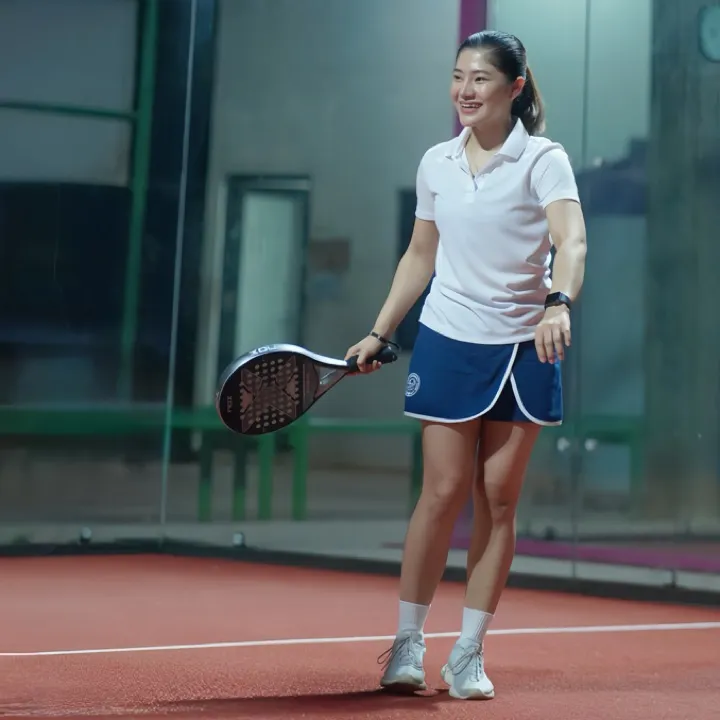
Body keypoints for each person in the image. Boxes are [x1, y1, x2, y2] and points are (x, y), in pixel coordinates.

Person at [344, 30, 587, 700]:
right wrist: (379, 330)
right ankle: (407, 643)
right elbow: (420, 255)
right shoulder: (437, 163)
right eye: (458, 77)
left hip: (525, 345)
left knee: (499, 499)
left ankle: (468, 653)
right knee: (443, 491)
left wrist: (559, 303)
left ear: (515, 87)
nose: (465, 90)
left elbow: (571, 240)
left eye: (480, 78)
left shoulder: (544, 160)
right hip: (449, 339)